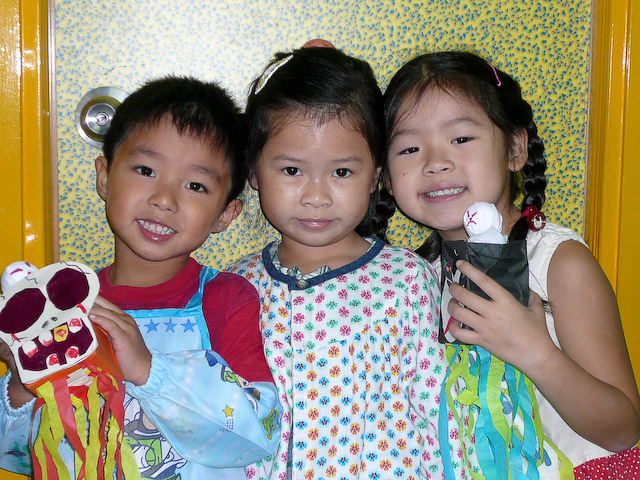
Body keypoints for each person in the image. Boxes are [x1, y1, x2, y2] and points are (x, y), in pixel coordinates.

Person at [0, 76, 281, 479]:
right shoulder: (63, 303)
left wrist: (150, 371)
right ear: (104, 176)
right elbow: (22, 458)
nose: (164, 199)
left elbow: (258, 434)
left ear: (225, 214)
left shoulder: (226, 299)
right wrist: (23, 381)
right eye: (146, 170)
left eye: (196, 185)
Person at [382, 50, 640, 479]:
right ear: (386, 179)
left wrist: (532, 349)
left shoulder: (557, 263)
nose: (435, 162)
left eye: (461, 139)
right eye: (409, 148)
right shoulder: (413, 280)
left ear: (515, 149)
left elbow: (623, 429)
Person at [228, 44, 462, 479]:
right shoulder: (235, 287)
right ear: (254, 172)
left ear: (375, 175)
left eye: (341, 172)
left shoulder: (405, 279)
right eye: (292, 171)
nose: (316, 196)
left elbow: (437, 409)